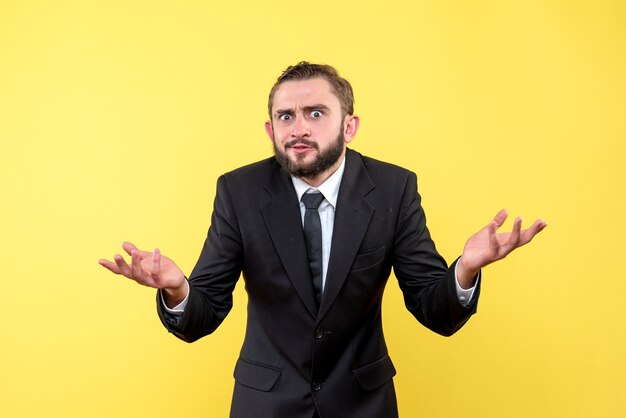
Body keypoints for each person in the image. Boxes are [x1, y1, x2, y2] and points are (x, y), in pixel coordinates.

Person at [99, 62, 547, 418]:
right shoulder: (239, 192)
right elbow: (204, 314)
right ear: (270, 129)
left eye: (316, 113)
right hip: (265, 405)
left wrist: (466, 269)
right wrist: (177, 289)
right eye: (286, 116)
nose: (299, 129)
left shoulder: (394, 189)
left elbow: (435, 309)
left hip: (362, 404)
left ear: (349, 126)